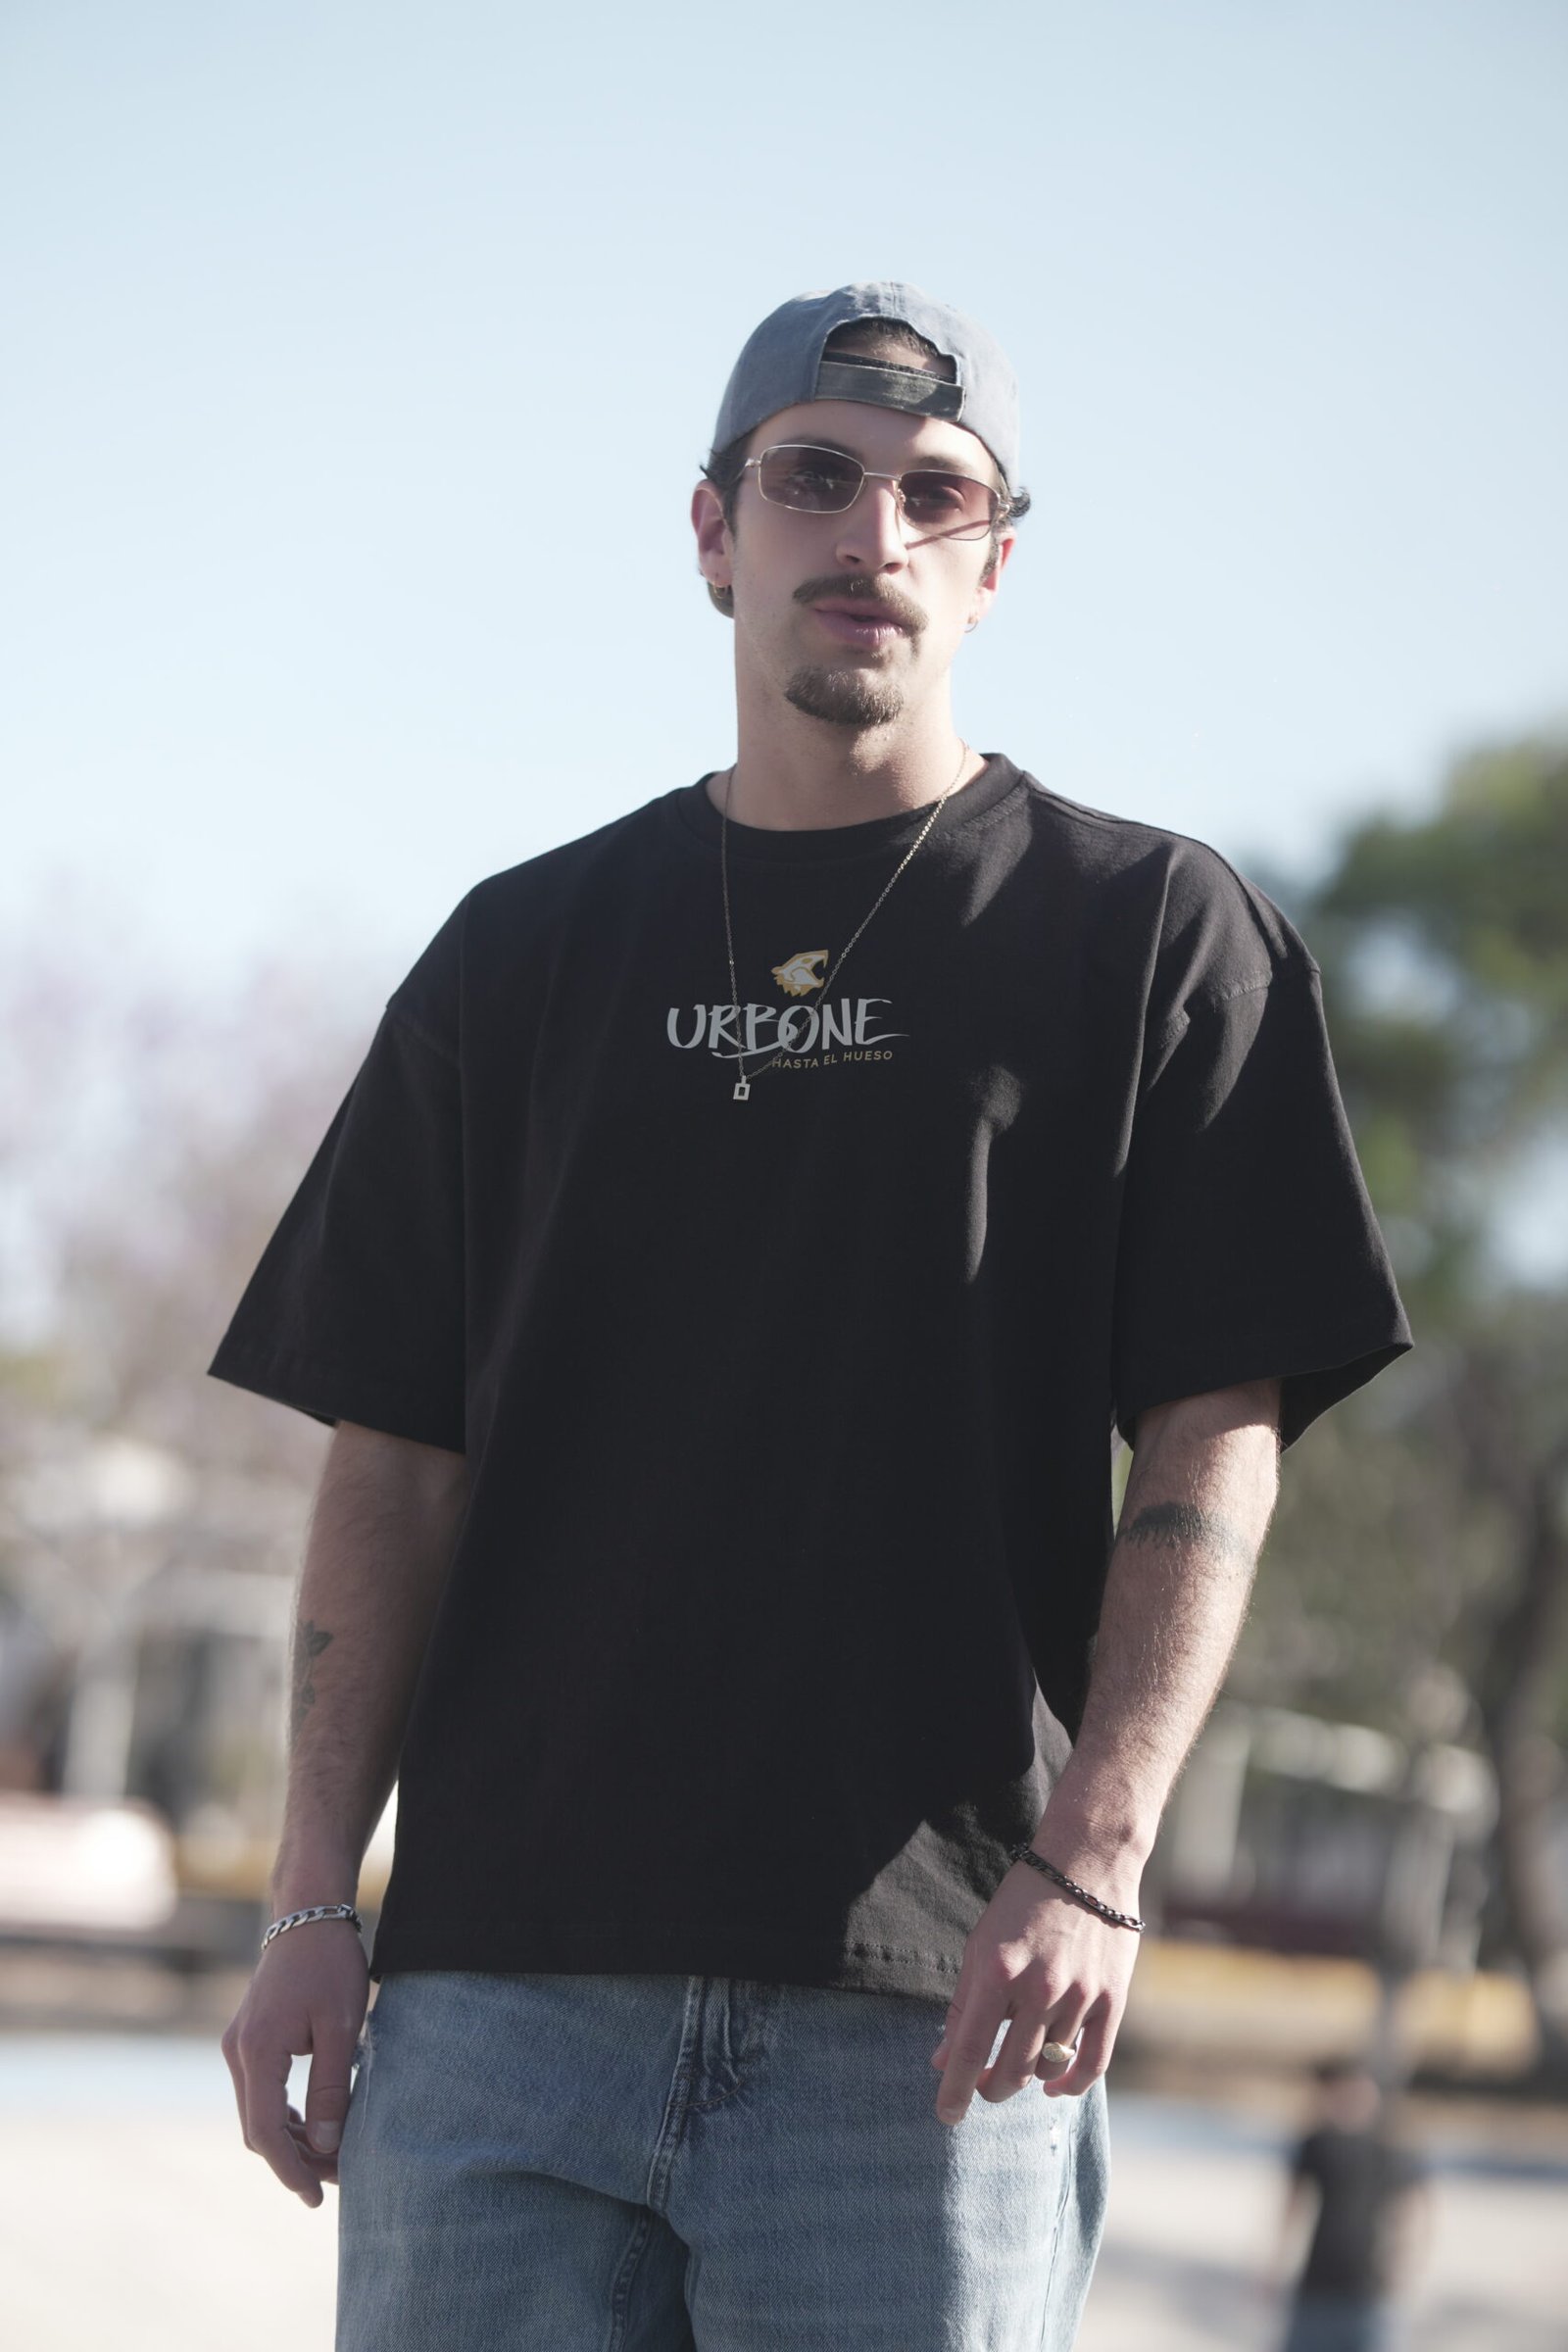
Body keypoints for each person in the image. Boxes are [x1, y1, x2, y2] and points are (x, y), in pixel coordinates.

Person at [214, 280, 1412, 2351]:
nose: (873, 534)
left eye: (935, 494)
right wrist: (314, 1896)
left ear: (994, 564)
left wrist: (1095, 1858)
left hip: (928, 2015)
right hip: (499, 2005)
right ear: (713, 530)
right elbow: (392, 1459)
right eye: (815, 478)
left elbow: (1210, 1439)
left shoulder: (1151, 935)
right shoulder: (518, 957)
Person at [1272, 2060, 1431, 2352]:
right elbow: (1293, 2204)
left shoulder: (1394, 2150)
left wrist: (1404, 2266)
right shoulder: (1319, 2143)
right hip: (1317, 2285)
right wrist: (1275, 2265)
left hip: (1369, 2289)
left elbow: (1414, 2212)